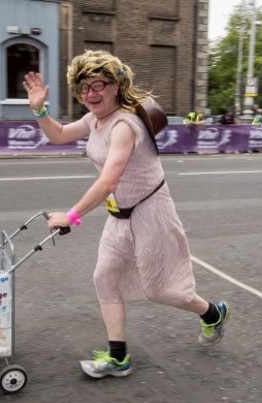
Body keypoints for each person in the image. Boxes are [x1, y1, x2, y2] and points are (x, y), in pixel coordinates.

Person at [22, 50, 230, 379]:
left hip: (152, 212)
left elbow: (109, 179)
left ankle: (212, 312)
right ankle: (118, 357)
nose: (90, 94)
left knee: (161, 289)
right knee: (105, 277)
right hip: (120, 215)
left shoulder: (124, 125)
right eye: (83, 88)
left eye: (98, 85)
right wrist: (40, 110)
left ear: (116, 85)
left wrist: (72, 216)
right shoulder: (95, 119)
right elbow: (59, 134)